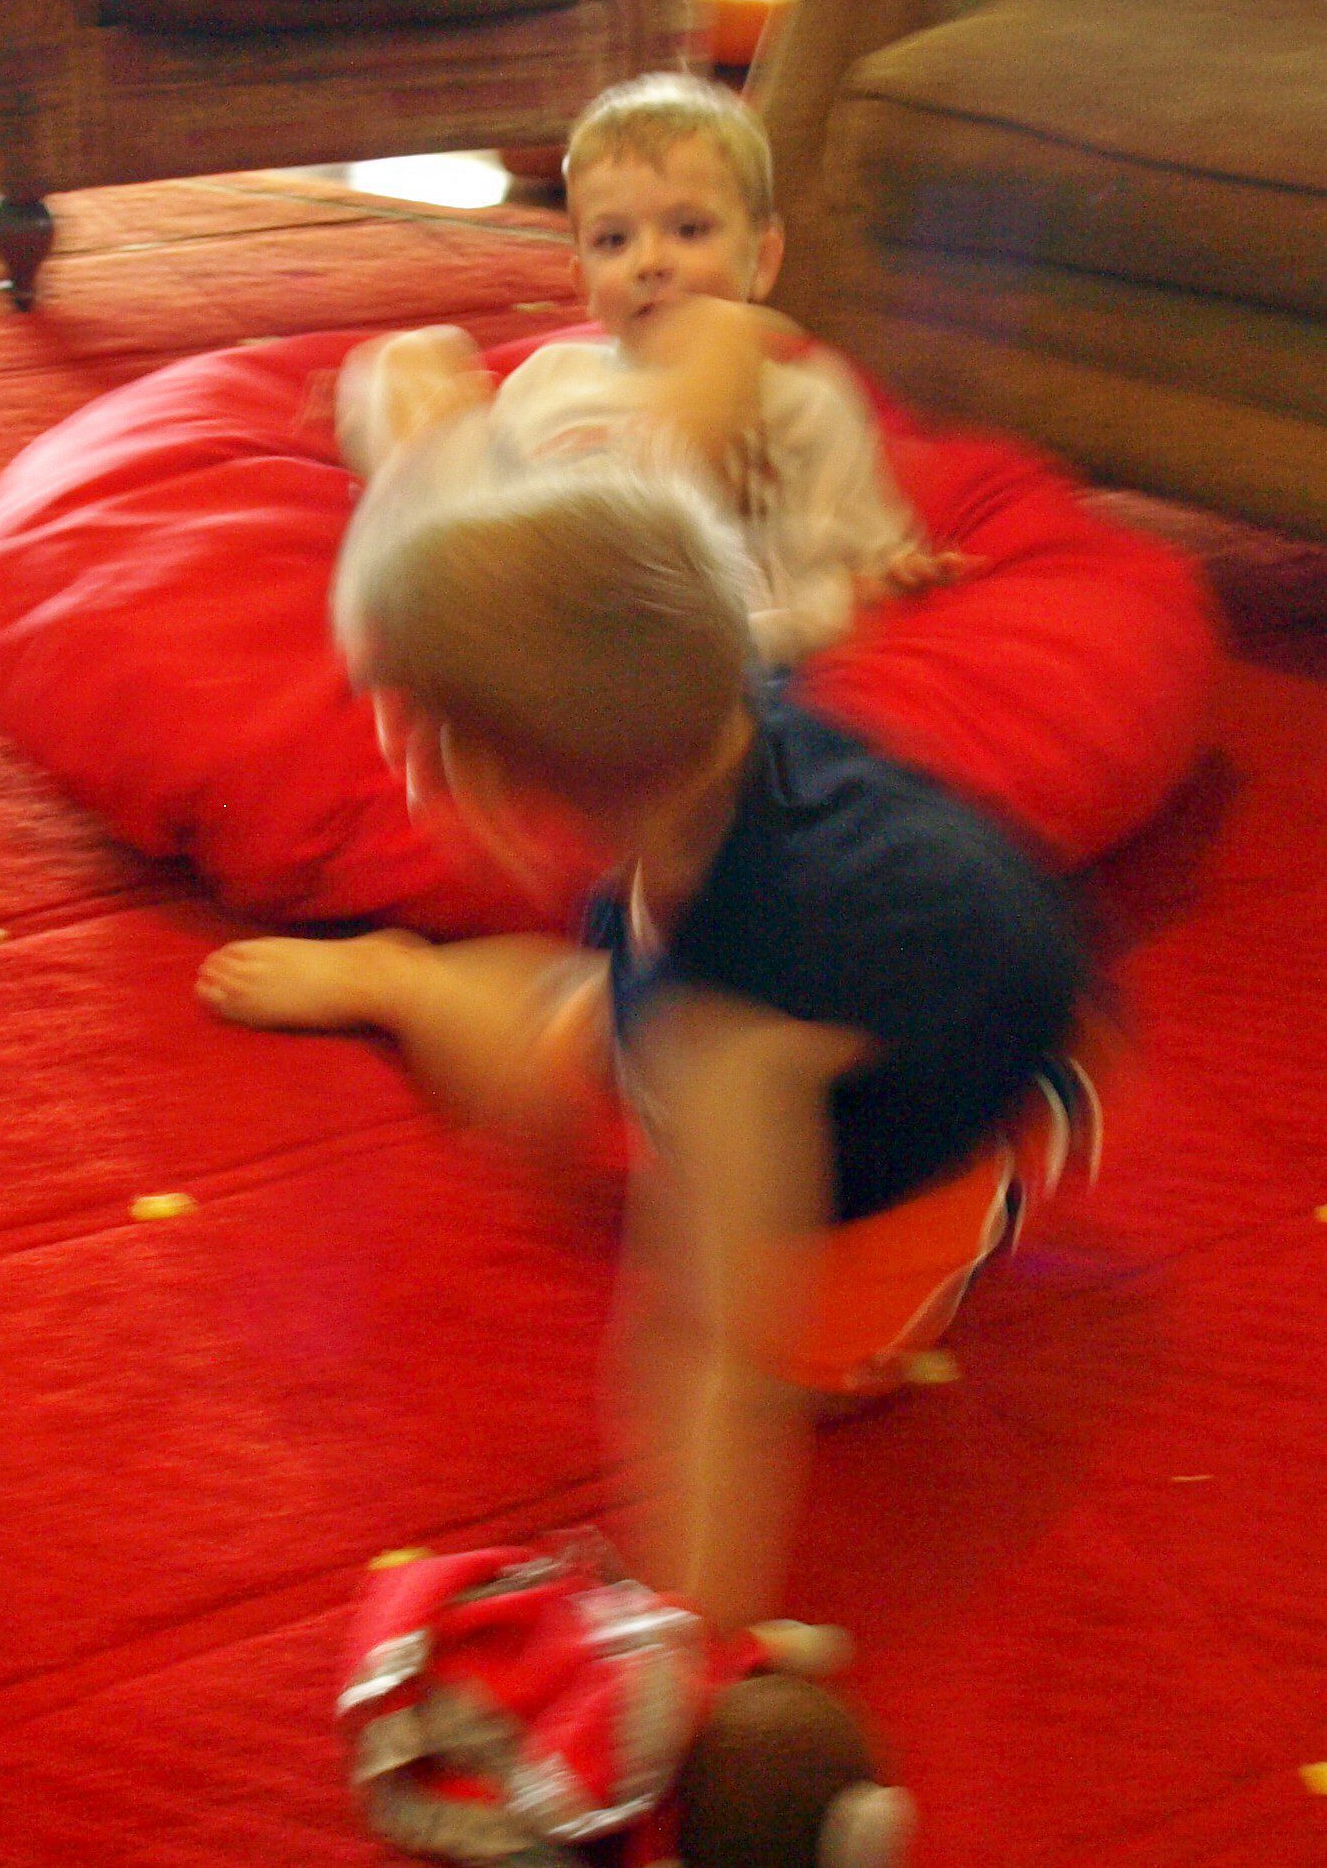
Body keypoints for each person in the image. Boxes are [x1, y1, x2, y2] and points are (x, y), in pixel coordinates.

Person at [196, 425, 1086, 1645]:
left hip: (944, 1116)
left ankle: (427, 988)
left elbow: (709, 1351)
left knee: (817, 1369)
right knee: (592, 1044)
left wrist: (692, 1634)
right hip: (811, 1003)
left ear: (488, 787)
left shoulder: (726, 1025)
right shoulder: (727, 702)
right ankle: (409, 984)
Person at [336, 73, 948, 666]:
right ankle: (413, 556)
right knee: (403, 362)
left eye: (689, 230)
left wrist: (886, 565)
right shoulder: (551, 376)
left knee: (719, 351)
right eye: (613, 242)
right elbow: (493, 494)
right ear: (582, 284)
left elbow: (850, 537)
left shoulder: (807, 398)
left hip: (684, 631)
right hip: (538, 593)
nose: (650, 261)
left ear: (762, 259)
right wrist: (435, 428)